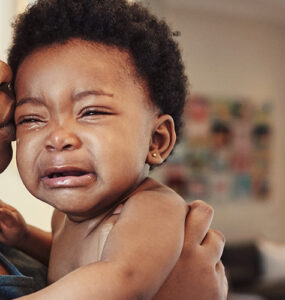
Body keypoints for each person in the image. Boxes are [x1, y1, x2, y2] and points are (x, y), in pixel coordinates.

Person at [0, 0, 227, 298]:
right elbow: (70, 265)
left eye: (91, 112)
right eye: (31, 118)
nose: (57, 138)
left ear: (156, 141)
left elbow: (121, 278)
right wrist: (27, 237)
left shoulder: (152, 208)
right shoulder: (63, 218)